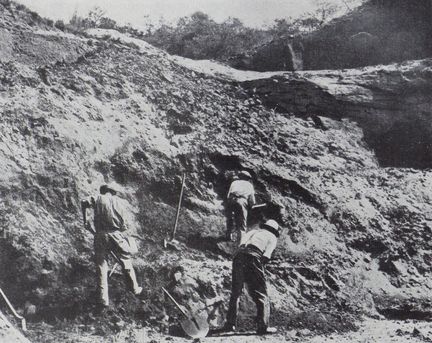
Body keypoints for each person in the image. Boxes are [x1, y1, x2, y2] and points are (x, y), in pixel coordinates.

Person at [81, 183, 143, 308]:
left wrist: (86, 221)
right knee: (125, 261)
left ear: (103, 191)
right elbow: (124, 226)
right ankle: (135, 289)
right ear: (113, 192)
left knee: (101, 266)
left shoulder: (97, 198)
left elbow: (83, 202)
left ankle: (103, 300)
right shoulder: (120, 203)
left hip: (100, 235)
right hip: (115, 234)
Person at [223, 219, 281, 335]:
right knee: (262, 294)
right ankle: (262, 326)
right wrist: (260, 270)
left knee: (236, 293)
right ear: (274, 231)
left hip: (239, 258)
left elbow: (241, 245)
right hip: (254, 258)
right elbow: (266, 256)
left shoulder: (253, 232)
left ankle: (230, 325)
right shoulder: (272, 237)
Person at [225, 170, 256, 244]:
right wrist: (251, 206)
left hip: (231, 200)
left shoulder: (234, 182)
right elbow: (252, 200)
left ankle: (228, 235)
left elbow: (228, 195)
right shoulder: (249, 185)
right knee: (242, 223)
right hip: (242, 201)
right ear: (247, 178)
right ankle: (240, 244)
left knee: (230, 218)